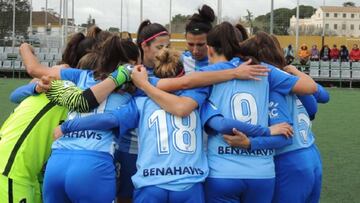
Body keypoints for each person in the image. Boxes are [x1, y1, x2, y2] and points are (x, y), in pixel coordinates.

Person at [53, 48, 292, 203]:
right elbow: (222, 124)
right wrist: (266, 131)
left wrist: (67, 128)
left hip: (150, 183)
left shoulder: (140, 100)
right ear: (182, 72)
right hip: (188, 185)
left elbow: (108, 120)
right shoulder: (198, 97)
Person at [20, 35, 140, 203]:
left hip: (57, 162)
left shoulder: (79, 75)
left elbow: (33, 69)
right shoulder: (134, 91)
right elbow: (170, 86)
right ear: (132, 64)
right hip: (93, 164)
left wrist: (25, 47)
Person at [234, 31, 329, 203]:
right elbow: (322, 97)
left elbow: (284, 135)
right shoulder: (290, 78)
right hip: (312, 155)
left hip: (290, 161)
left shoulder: (271, 82)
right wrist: (295, 71)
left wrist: (249, 143)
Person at [182, 4, 215, 73]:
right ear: (185, 38)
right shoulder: (179, 61)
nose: (195, 51)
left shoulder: (220, 63)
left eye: (200, 45)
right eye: (190, 44)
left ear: (211, 40)